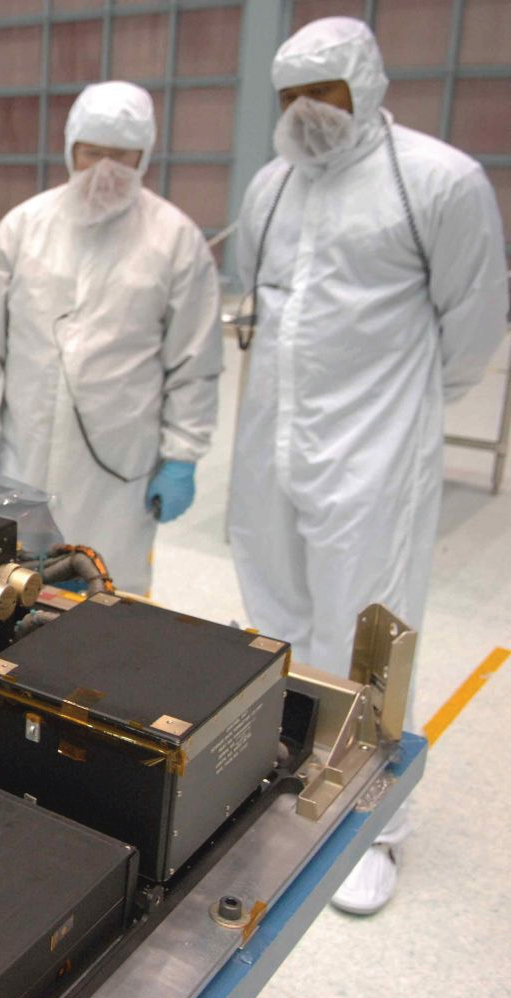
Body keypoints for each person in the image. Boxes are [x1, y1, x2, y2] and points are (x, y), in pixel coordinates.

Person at [230, 17, 507, 915]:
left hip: (376, 452)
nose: (308, 112)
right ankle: (289, 766)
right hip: (273, 442)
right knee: (275, 610)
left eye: (327, 92)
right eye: (291, 96)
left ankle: (372, 824)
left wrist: (407, 410)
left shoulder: (438, 180)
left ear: (368, 85)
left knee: (370, 633)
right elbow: (257, 295)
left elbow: (471, 326)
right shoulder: (271, 186)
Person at [0, 81, 222, 594]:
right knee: (12, 590)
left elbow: (194, 362)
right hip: (20, 451)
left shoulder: (175, 239)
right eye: (93, 152)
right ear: (70, 149)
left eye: (121, 156)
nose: (105, 168)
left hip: (120, 468)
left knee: (106, 593)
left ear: (143, 157)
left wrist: (182, 455)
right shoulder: (25, 227)